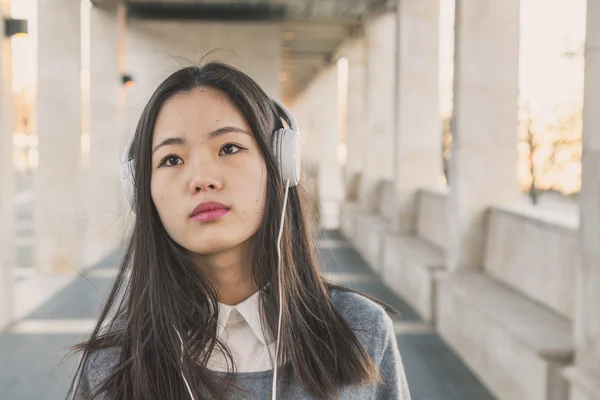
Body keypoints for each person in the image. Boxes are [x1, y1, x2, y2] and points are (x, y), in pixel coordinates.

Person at [68, 61, 411, 400]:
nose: (202, 179)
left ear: (279, 164)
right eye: (172, 159)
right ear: (141, 191)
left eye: (229, 148)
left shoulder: (361, 330)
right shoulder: (111, 364)